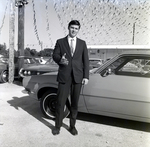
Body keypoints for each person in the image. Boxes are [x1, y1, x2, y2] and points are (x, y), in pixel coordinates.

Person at [52, 20, 89, 135]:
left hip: (77, 77)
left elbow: (86, 61)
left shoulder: (82, 43)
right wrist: (60, 60)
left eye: (76, 28)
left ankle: (72, 126)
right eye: (72, 28)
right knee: (60, 102)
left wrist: (86, 76)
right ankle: (57, 126)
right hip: (64, 76)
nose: (74, 30)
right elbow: (55, 55)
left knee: (74, 104)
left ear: (78, 30)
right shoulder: (60, 42)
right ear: (68, 28)